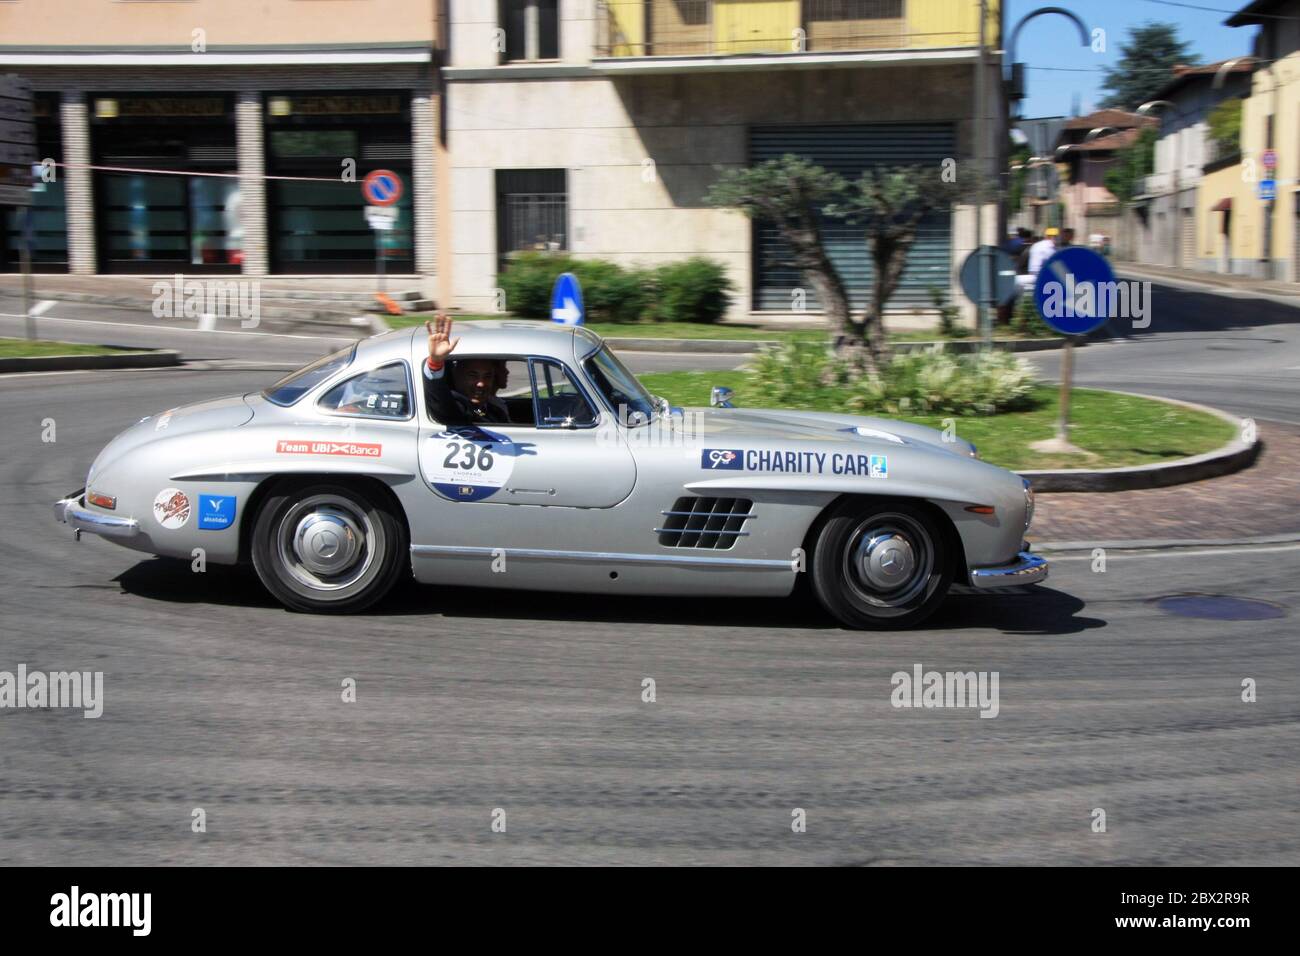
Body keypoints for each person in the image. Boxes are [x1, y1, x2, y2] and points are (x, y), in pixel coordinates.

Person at [423, 313, 511, 425]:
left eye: (487, 376)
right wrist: (435, 363)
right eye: (472, 375)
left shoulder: (491, 408)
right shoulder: (458, 405)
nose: (481, 383)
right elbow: (442, 406)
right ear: (457, 375)